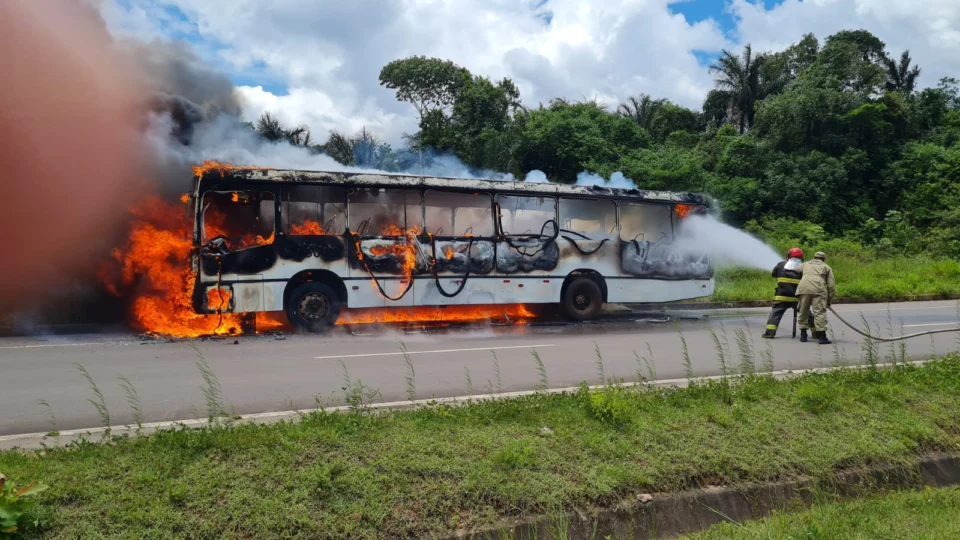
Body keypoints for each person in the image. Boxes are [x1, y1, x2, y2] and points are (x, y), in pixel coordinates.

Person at [762, 248, 813, 339]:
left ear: (788, 256)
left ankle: (770, 333)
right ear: (802, 257)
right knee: (807, 314)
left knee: (775, 314)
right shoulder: (804, 267)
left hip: (782, 297)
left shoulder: (781, 265)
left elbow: (773, 274)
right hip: (798, 298)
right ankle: (817, 333)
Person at [796, 251, 836, 344]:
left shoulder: (805, 264)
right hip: (818, 290)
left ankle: (803, 336)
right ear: (824, 259)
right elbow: (831, 286)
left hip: (803, 289)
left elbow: (796, 269)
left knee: (803, 311)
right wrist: (829, 300)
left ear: (814, 257)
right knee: (819, 313)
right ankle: (822, 337)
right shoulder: (826, 267)